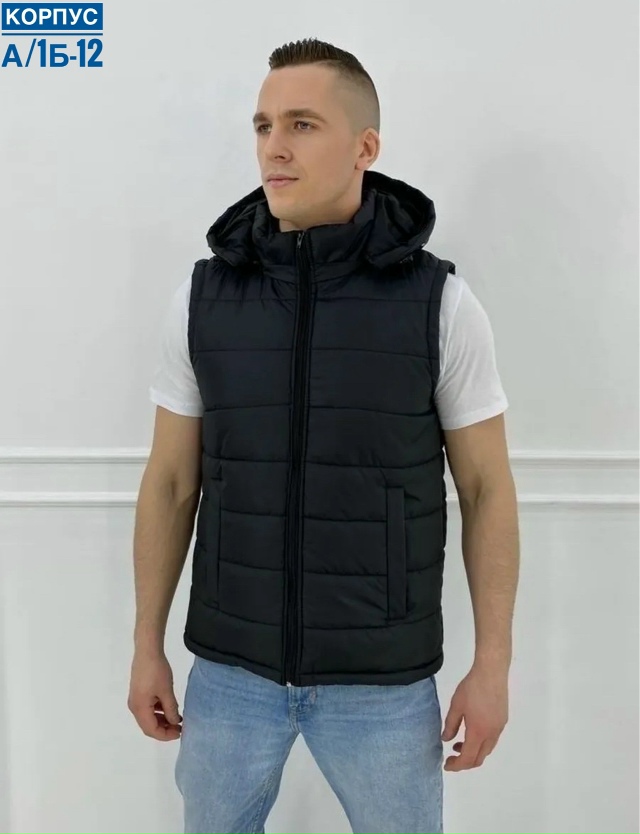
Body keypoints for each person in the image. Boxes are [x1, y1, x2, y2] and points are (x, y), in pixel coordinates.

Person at [128, 37, 520, 834]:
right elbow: (169, 483)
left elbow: (487, 489)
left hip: (383, 684)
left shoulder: (440, 305)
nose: (274, 146)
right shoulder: (203, 300)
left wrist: (494, 666)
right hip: (230, 675)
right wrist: (146, 644)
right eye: (264, 124)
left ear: (365, 147)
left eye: (302, 124)